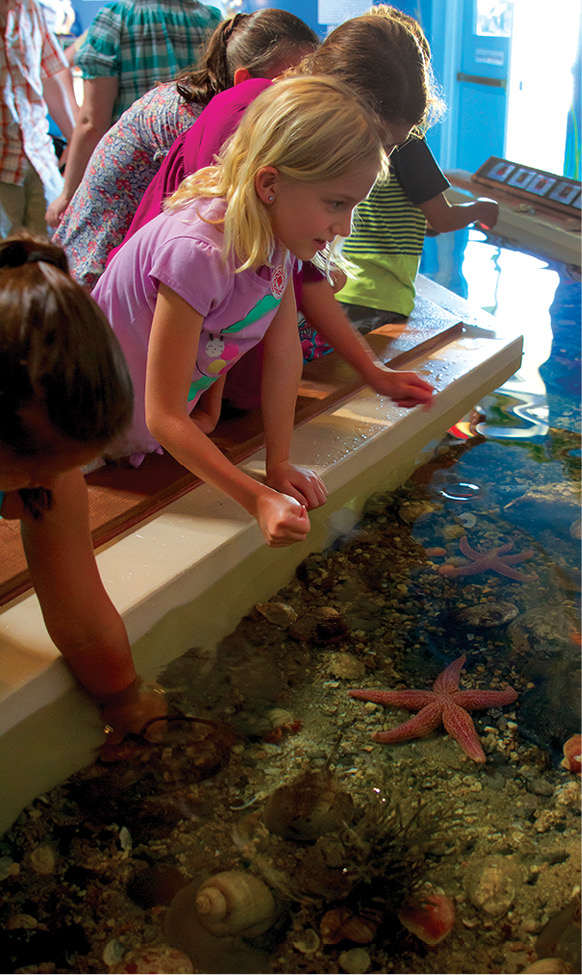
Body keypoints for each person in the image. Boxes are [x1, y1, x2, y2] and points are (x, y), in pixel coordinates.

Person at [92, 76, 390, 547]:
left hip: (131, 423)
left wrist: (279, 463)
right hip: (79, 424)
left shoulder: (278, 238)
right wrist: (257, 499)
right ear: (270, 183)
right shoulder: (197, 251)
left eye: (353, 206)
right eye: (336, 203)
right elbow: (164, 415)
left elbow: (281, 350)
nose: (344, 226)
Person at [110, 8, 439, 409]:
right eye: (377, 138)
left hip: (214, 340)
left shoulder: (292, 166)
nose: (379, 157)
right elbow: (210, 263)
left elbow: (296, 274)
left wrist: (373, 372)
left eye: (391, 147)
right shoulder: (251, 122)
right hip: (153, 340)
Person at [0, 232, 164, 741]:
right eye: (31, 471)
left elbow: (82, 618)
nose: (46, 485)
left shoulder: (45, 458)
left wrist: (126, 703)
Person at [49, 9, 318, 290]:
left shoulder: (214, 107)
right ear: (244, 81)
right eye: (291, 85)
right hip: (95, 276)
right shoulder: (196, 121)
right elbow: (221, 222)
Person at [337, 5, 499, 326]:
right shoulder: (407, 142)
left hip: (338, 286)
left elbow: (415, 220)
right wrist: (481, 209)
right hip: (381, 296)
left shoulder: (346, 132)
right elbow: (441, 217)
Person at [45, 0, 224, 228]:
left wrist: (68, 194)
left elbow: (92, 122)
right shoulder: (211, 19)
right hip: (191, 181)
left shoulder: (116, 17)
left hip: (129, 184)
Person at [0, 0, 78, 237]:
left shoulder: (28, 7)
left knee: (49, 258)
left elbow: (51, 77)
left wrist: (76, 143)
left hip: (38, 159)